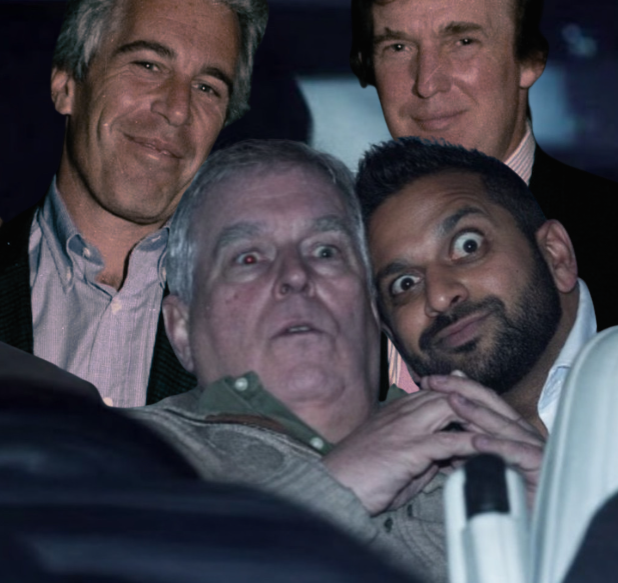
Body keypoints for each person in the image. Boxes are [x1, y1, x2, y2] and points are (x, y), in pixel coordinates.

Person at [127, 139, 538, 583]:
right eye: (248, 258)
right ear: (182, 329)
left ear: (374, 306)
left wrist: (562, 528)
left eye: (325, 251)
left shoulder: (482, 456)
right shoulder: (119, 455)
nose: (295, 275)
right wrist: (336, 492)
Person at [0, 0, 268, 407]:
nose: (177, 109)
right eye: (148, 65)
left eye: (207, 88)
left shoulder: (260, 326)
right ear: (67, 84)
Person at [349, 0, 618, 388]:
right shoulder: (329, 260)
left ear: (530, 60)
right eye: (398, 47)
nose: (427, 82)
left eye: (463, 41)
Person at [355, 137, 597, 500]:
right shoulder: (402, 489)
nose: (439, 296)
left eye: (468, 246)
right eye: (404, 284)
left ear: (555, 255)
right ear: (393, 339)